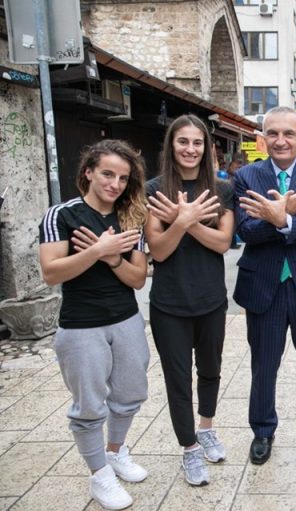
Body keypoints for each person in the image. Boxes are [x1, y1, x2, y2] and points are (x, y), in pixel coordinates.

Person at [38, 139, 150, 510]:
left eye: (122, 177)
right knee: (88, 406)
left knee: (131, 394)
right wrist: (96, 251)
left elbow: (138, 278)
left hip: (127, 320)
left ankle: (115, 451)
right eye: (107, 174)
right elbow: (52, 273)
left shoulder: (132, 217)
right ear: (88, 172)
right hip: (81, 326)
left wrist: (113, 258)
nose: (115, 184)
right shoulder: (61, 216)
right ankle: (99, 475)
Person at [234, 106, 296, 465]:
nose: (281, 141)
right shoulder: (247, 176)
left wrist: (283, 219)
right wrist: (281, 218)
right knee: (264, 364)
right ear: (262, 139)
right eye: (273, 134)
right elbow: (246, 230)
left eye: (289, 134)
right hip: (265, 286)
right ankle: (262, 430)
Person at [144, 114, 235, 487]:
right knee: (177, 380)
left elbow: (222, 243)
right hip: (169, 303)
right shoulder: (153, 190)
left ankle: (207, 428)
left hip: (211, 298)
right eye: (183, 142)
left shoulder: (221, 190)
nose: (190, 149)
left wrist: (187, 220)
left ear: (208, 149)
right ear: (171, 145)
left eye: (198, 143)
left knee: (210, 371)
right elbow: (159, 252)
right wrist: (182, 222)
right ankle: (189, 449)